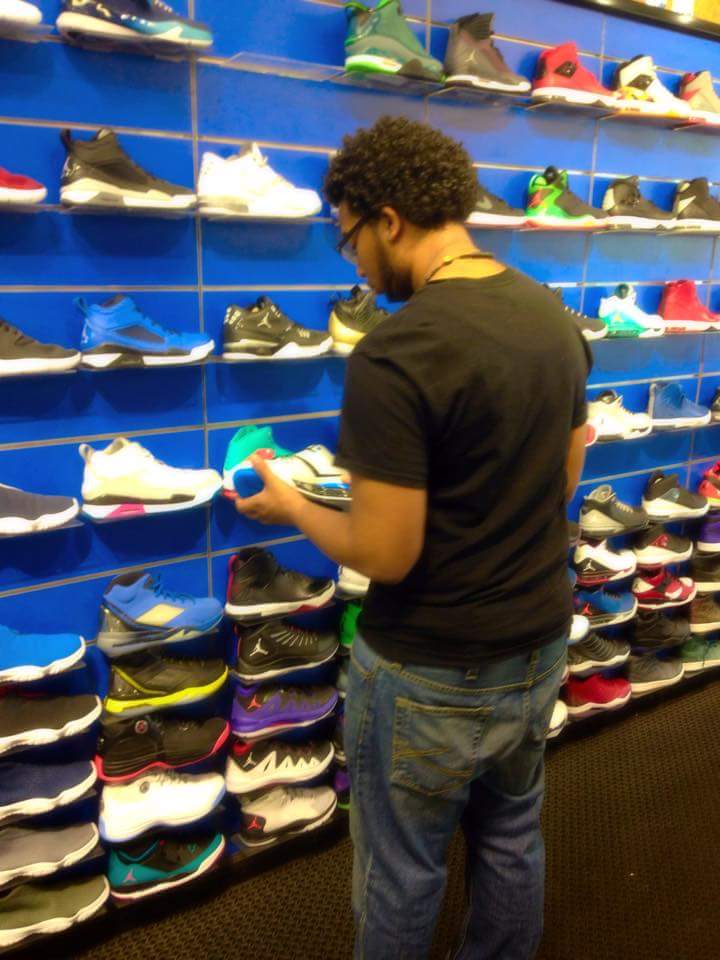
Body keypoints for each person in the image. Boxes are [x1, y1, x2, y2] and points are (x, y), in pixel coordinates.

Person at [234, 115, 590, 960]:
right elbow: (567, 473)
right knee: (511, 840)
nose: (353, 260)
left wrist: (292, 507)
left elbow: (384, 552)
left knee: (403, 873)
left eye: (350, 237)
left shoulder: (397, 352)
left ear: (388, 218)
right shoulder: (550, 316)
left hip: (431, 663)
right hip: (537, 641)